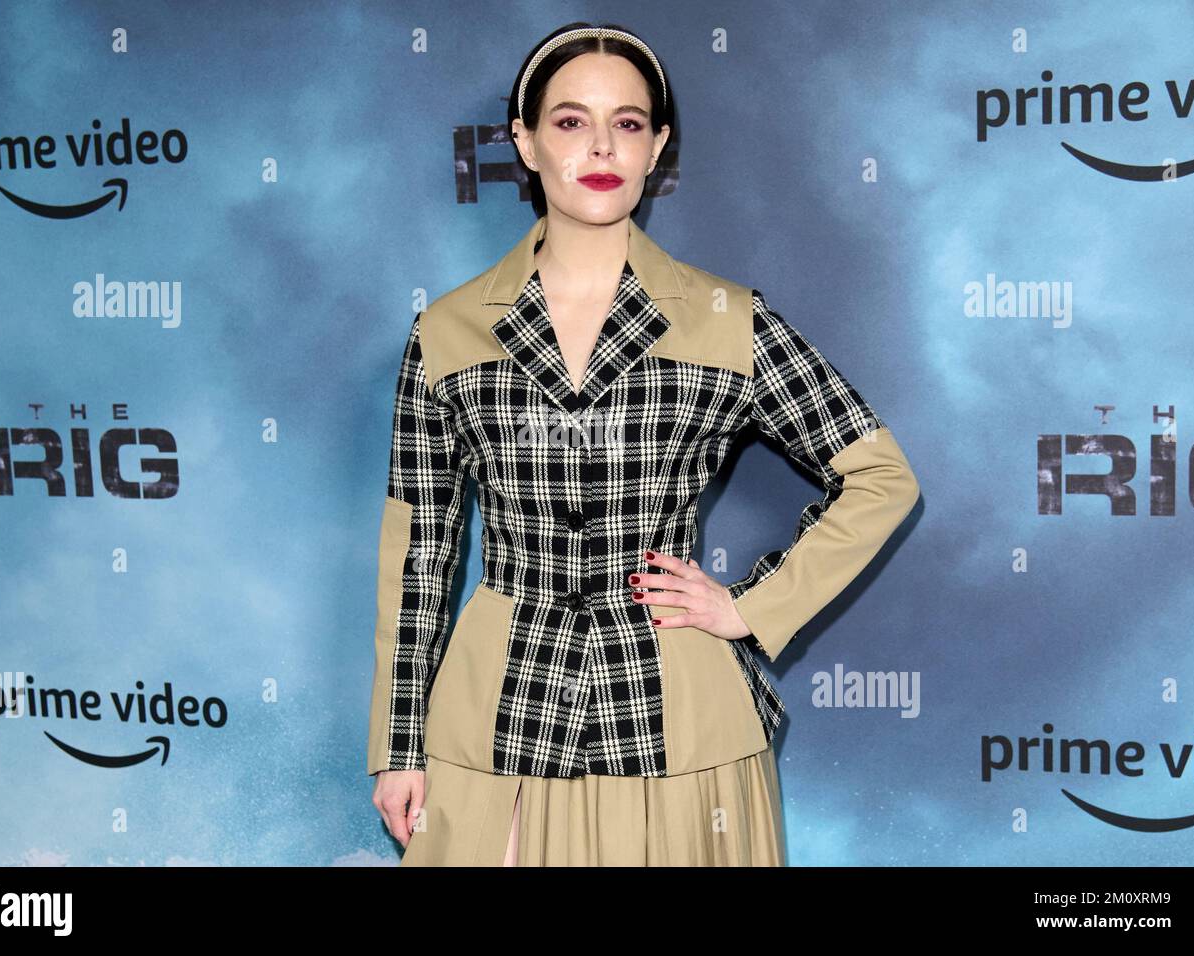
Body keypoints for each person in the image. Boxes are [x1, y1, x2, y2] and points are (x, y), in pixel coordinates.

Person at [367, 21, 921, 866]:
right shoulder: (446, 331)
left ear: (659, 145)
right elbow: (420, 553)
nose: (600, 145)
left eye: (628, 123)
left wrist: (750, 605)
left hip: (681, 725)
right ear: (522, 140)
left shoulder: (729, 320)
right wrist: (400, 744)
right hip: (495, 726)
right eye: (569, 120)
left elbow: (880, 477)